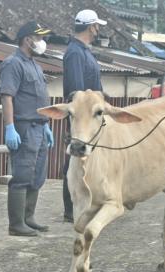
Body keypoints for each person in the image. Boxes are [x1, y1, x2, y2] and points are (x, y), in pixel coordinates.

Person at [0, 21, 54, 236]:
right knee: (22, 175)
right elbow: (7, 97)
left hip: (39, 126)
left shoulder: (34, 65)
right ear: (27, 39)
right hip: (24, 127)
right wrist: (10, 127)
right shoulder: (13, 64)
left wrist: (47, 124)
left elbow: (38, 98)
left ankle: (28, 218)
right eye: (38, 38)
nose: (42, 42)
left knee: (37, 175)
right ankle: (16, 224)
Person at [62, 9, 107, 222]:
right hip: (82, 118)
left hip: (92, 117)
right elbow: (77, 92)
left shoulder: (84, 51)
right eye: (97, 26)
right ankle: (72, 208)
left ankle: (88, 200)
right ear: (91, 27)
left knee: (87, 159)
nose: (98, 30)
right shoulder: (74, 53)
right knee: (75, 158)